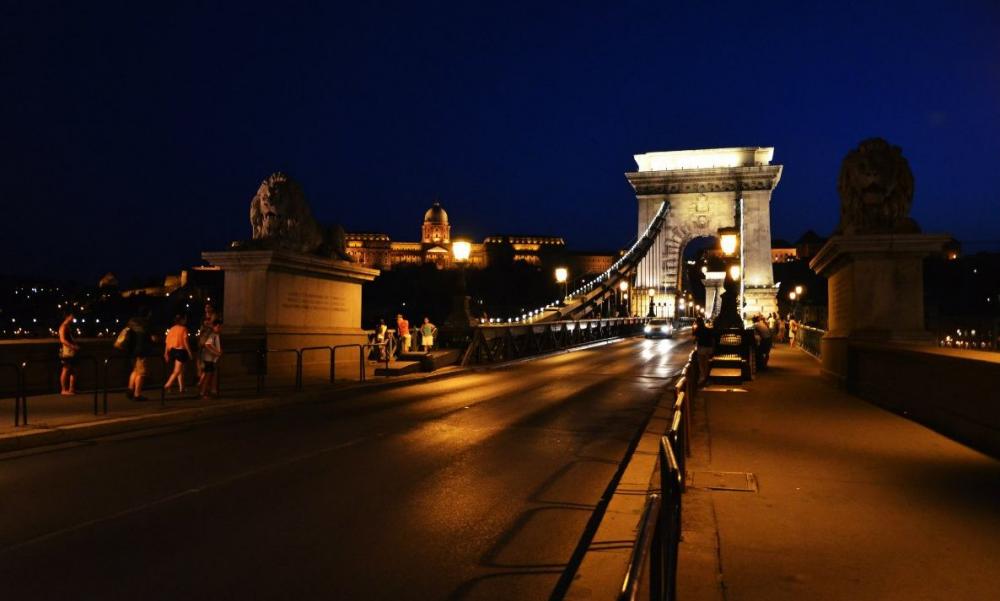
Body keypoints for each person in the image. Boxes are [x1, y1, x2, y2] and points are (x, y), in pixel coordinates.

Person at [126, 308, 154, 401]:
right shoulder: (145, 323)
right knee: (141, 373)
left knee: (135, 370)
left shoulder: (132, 322)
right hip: (141, 350)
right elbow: (149, 338)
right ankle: (137, 394)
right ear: (147, 314)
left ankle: (130, 390)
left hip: (132, 350)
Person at [163, 314, 192, 393]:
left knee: (180, 370)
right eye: (185, 319)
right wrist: (189, 352)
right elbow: (185, 342)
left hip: (172, 351)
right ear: (181, 320)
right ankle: (167, 385)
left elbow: (167, 342)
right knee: (177, 370)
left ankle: (182, 388)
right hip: (181, 351)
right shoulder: (184, 328)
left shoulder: (172, 329)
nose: (186, 321)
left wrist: (166, 353)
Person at [58, 310, 80, 395]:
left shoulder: (67, 326)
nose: (73, 318)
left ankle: (71, 389)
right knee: (66, 369)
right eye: (71, 316)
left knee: (73, 370)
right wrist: (73, 346)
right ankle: (64, 390)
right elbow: (63, 340)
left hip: (71, 351)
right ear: (67, 316)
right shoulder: (63, 327)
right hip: (67, 352)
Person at [198, 319, 222, 399]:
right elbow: (207, 344)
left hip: (209, 359)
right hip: (209, 359)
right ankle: (202, 393)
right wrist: (216, 352)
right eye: (219, 327)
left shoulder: (213, 335)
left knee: (207, 376)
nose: (220, 329)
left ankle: (203, 392)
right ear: (216, 326)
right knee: (208, 377)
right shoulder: (213, 335)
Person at [692, 316, 714, 386]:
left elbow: (695, 339)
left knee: (701, 364)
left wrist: (695, 340)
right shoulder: (707, 329)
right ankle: (706, 377)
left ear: (698, 322)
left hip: (702, 348)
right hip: (709, 348)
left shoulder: (698, 329)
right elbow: (712, 338)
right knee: (706, 363)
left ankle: (703, 377)